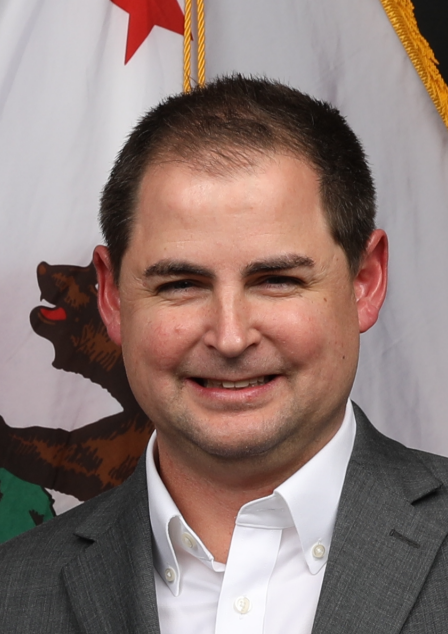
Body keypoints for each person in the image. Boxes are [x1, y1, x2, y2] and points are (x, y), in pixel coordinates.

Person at [1, 75, 448, 634]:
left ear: (365, 280)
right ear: (111, 298)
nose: (231, 338)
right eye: (181, 285)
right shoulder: (12, 594)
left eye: (277, 280)